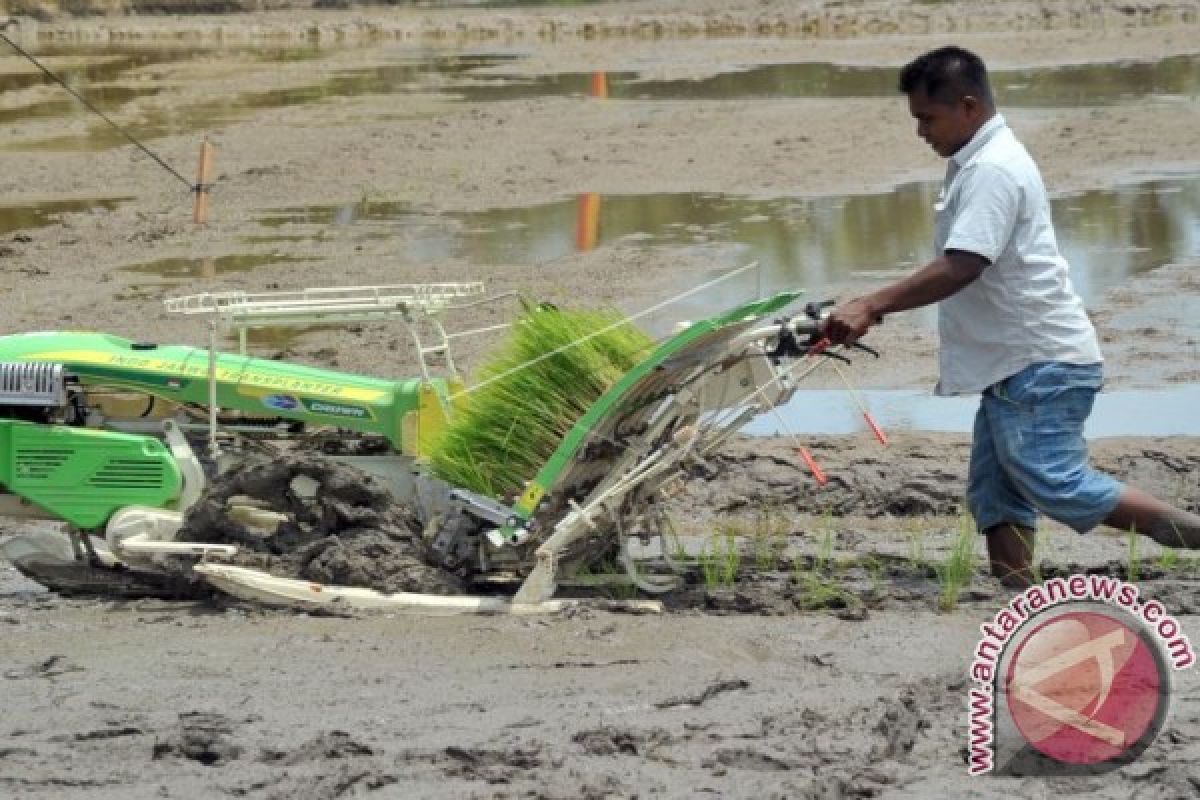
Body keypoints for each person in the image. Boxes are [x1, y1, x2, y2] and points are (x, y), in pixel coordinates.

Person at [824, 45, 1200, 588]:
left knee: (1057, 482)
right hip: (1015, 365)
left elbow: (963, 265)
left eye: (927, 118)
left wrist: (871, 304)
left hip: (1040, 362)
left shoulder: (994, 170)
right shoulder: (976, 162)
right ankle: (1017, 597)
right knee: (997, 495)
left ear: (968, 107)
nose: (920, 132)